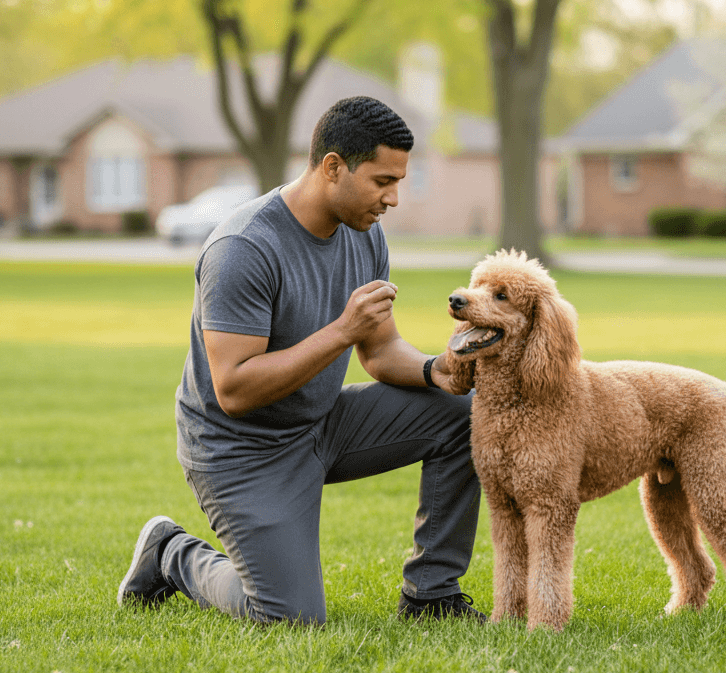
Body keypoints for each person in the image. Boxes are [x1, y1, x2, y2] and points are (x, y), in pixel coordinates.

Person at [117, 96, 485, 625]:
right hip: (239, 450)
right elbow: (235, 389)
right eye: (383, 181)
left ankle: (431, 593)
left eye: (398, 181)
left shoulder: (364, 234)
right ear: (333, 167)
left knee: (465, 410)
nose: (394, 199)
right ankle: (171, 554)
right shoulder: (244, 247)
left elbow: (380, 352)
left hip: (320, 424)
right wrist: (339, 333)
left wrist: (436, 370)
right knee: (290, 619)